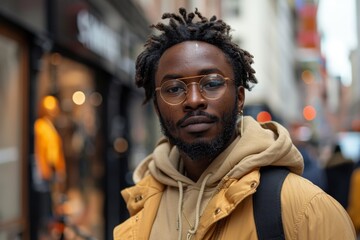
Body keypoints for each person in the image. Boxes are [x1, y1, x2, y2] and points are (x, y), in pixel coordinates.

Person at [114, 8, 356, 240]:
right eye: (174, 88)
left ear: (240, 97)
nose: (194, 100)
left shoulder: (307, 210)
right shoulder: (142, 205)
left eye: (211, 83)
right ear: (157, 106)